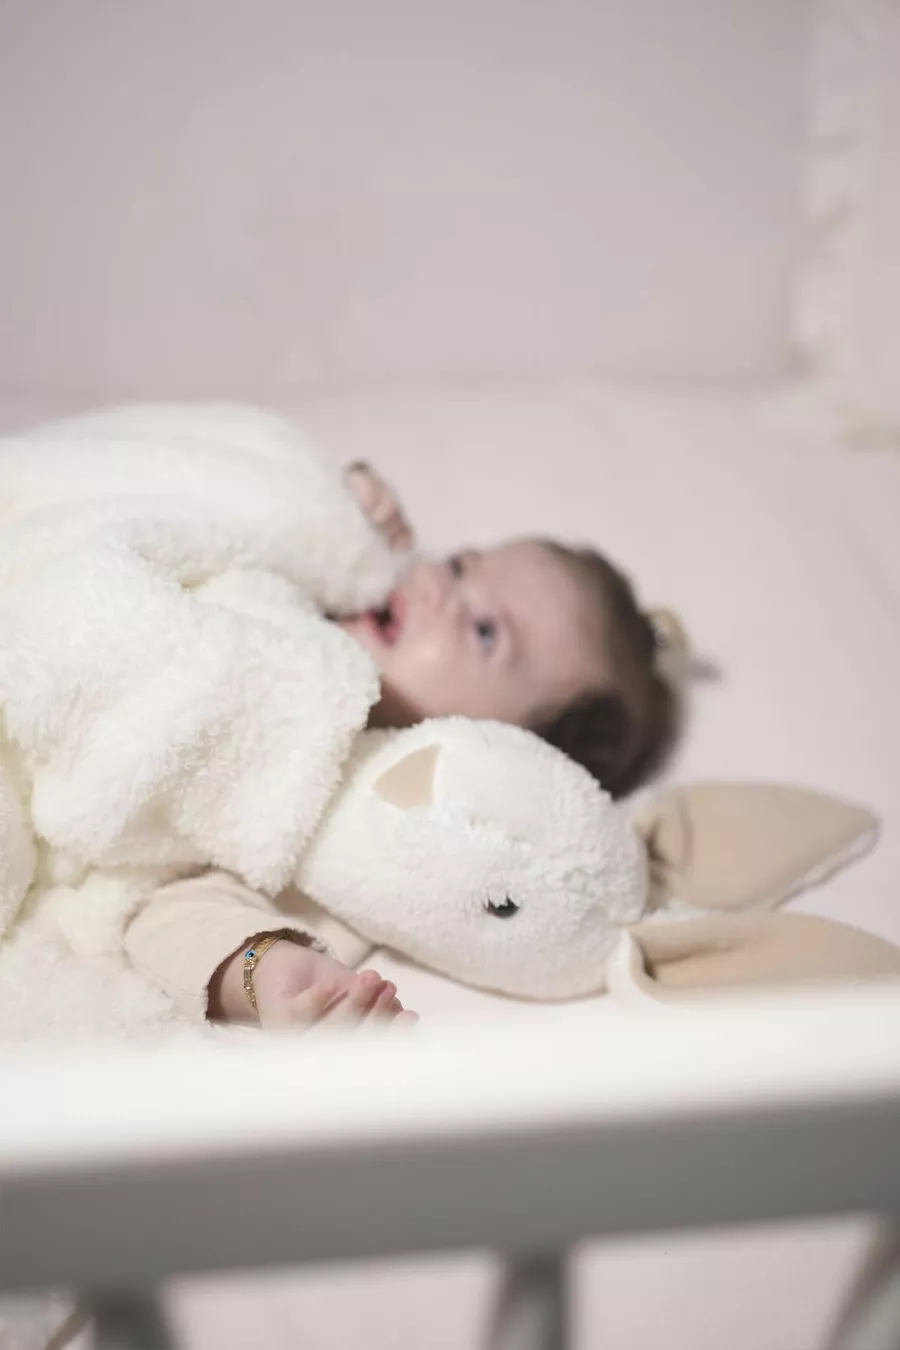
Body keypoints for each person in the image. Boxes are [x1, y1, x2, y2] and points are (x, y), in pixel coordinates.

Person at [125, 462, 689, 1032]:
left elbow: (171, 916)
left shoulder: (357, 817)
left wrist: (262, 969)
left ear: (504, 750)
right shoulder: (301, 589)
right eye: (458, 566)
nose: (434, 585)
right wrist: (331, 501)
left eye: (485, 631)